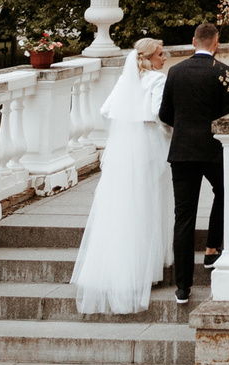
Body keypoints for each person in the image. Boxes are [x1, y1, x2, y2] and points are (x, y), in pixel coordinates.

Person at [71, 37, 172, 314]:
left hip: (123, 151)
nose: (165, 58)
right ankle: (144, 270)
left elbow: (106, 111)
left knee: (121, 206)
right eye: (161, 54)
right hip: (149, 148)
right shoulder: (157, 80)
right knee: (147, 205)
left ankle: (117, 269)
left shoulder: (126, 80)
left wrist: (122, 133)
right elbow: (157, 114)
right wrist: (168, 131)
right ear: (150, 57)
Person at [156, 19, 229, 305]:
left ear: (194, 42)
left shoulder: (175, 71)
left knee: (184, 217)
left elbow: (165, 113)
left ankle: (183, 288)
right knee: (226, 192)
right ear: (216, 43)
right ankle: (212, 249)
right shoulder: (224, 73)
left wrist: (183, 127)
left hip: (182, 152)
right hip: (214, 150)